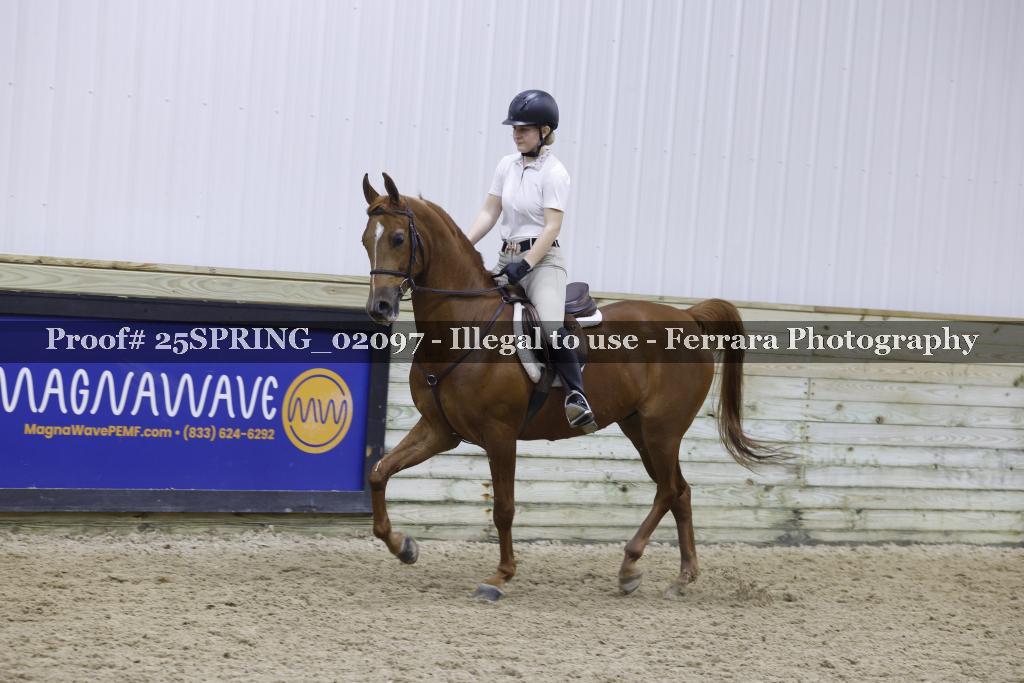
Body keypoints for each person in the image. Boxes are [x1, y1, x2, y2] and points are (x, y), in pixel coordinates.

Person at [465, 89, 596, 431]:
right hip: (505, 257)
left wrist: (526, 264)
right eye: (514, 128)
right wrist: (463, 245)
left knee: (550, 327)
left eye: (523, 129)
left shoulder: (555, 172)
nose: (516, 134)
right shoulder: (506, 165)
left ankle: (576, 396)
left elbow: (552, 227)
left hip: (543, 263)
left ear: (544, 131)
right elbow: (489, 212)